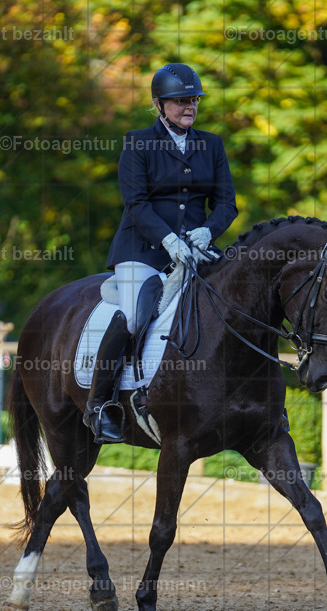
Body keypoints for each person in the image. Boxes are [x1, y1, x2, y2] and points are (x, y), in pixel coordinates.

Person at [84, 63, 238, 443]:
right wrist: (169, 240)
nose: (190, 107)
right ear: (159, 104)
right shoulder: (138, 143)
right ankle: (100, 404)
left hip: (198, 252)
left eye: (194, 100)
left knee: (239, 300)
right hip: (144, 251)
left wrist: (208, 231)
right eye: (181, 101)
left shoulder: (212, 144)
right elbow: (135, 203)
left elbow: (227, 204)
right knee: (136, 315)